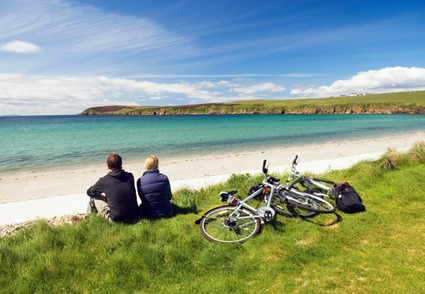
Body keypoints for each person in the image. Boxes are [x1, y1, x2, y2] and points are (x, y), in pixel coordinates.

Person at [86, 153, 140, 223]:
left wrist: (102, 195)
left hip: (116, 220)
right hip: (134, 216)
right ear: (121, 164)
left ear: (108, 167)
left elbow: (90, 192)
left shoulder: (104, 181)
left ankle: (87, 221)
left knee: (92, 198)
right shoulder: (130, 176)